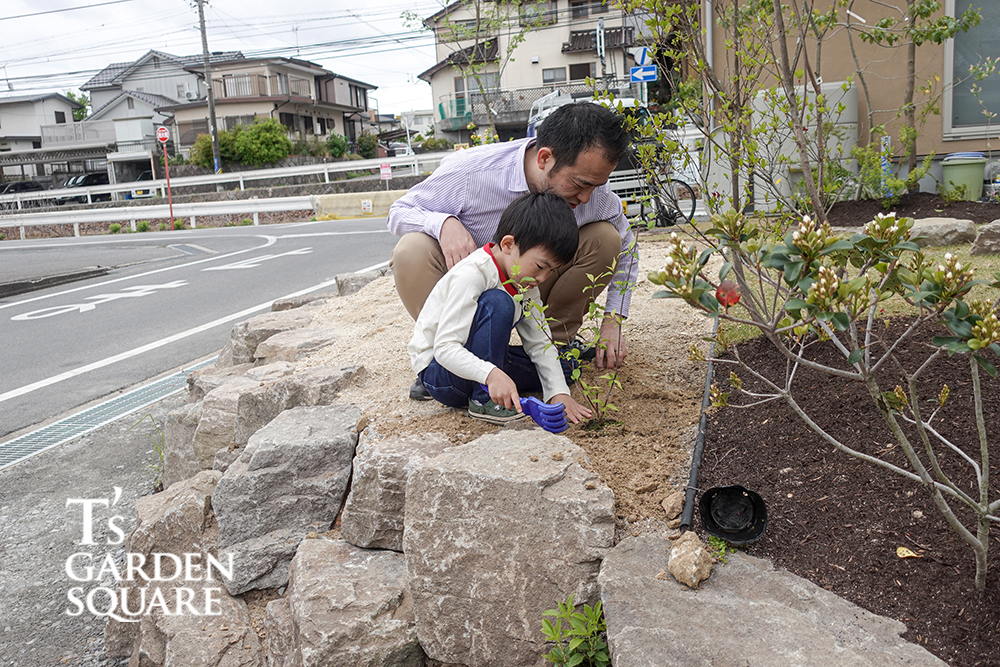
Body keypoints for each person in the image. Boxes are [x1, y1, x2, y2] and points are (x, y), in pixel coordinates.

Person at [388, 102, 636, 399]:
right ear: (545, 158)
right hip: (467, 301)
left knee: (607, 238)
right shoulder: (472, 172)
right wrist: (442, 223)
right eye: (580, 183)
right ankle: (452, 360)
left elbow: (628, 247)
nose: (586, 197)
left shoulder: (593, 194)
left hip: (530, 291)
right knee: (411, 248)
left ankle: (553, 347)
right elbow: (399, 211)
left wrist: (613, 320)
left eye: (596, 186)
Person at [408, 193, 592, 425]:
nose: (542, 278)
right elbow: (445, 348)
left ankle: (491, 383)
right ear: (508, 244)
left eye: (551, 271)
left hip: (479, 357)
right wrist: (491, 374)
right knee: (498, 302)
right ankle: (484, 400)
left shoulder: (525, 281)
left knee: (566, 368)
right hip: (441, 371)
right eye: (540, 266)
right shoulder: (473, 273)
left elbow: (540, 343)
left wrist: (558, 392)